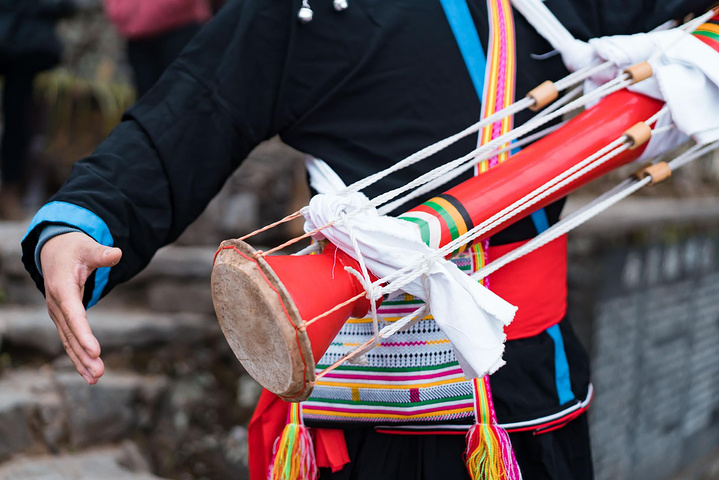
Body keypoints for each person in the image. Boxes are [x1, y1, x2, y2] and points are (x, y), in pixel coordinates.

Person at [20, 0, 716, 479]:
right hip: (347, 409)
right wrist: (84, 219)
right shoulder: (300, 9)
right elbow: (192, 113)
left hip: (518, 403)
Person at [0, 0, 76, 219]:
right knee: (18, 120)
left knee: (18, 120)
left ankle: (10, 191)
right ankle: (10, 193)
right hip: (22, 34)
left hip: (26, 44)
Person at [103, 0, 212, 97]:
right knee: (147, 99)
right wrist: (120, 10)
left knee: (185, 95)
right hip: (137, 37)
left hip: (179, 28)